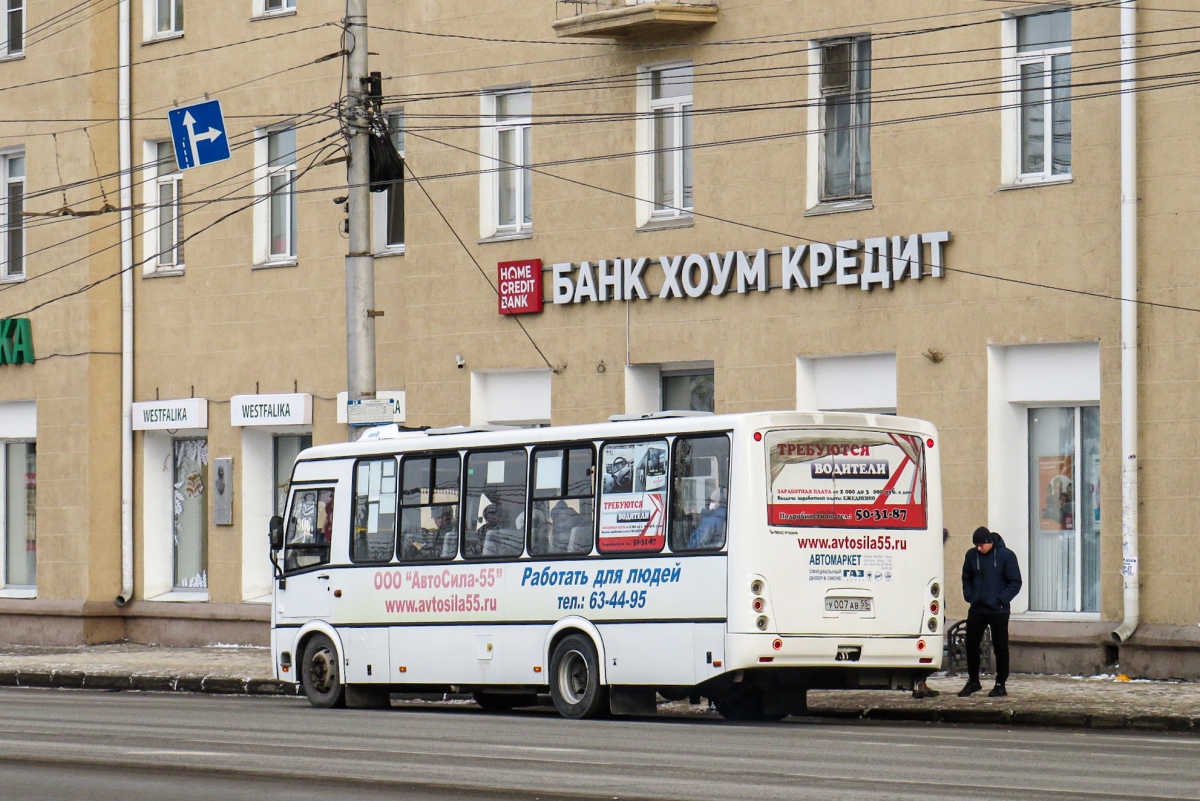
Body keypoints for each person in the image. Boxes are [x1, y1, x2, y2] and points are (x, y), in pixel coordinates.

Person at [959, 526, 1022, 698]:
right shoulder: (971, 556)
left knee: (1000, 647)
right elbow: (966, 578)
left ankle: (1000, 683)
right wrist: (970, 596)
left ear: (989, 542)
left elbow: (1015, 581)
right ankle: (973, 681)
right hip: (978, 608)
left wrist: (1001, 599)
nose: (978, 548)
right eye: (976, 545)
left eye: (981, 545)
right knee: (971, 644)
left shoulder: (1006, 556)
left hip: (998, 610)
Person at [913, 528, 952, 699]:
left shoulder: (933, 555)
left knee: (927, 645)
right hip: (922, 605)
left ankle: (921, 682)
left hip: (931, 604)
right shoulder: (924, 554)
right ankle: (918, 683)